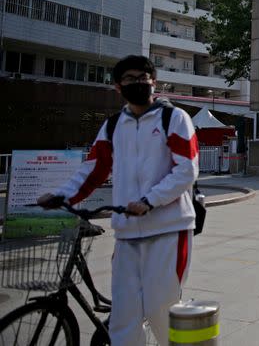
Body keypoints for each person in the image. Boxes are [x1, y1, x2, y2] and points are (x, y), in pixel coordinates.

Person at [38, 55, 199, 345]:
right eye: (129, 79)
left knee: (161, 311)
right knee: (124, 319)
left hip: (168, 230)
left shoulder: (173, 118)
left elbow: (186, 169)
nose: (137, 83)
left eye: (142, 78)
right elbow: (93, 169)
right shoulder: (113, 126)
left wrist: (150, 200)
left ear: (154, 83)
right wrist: (61, 195)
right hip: (126, 234)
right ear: (117, 87)